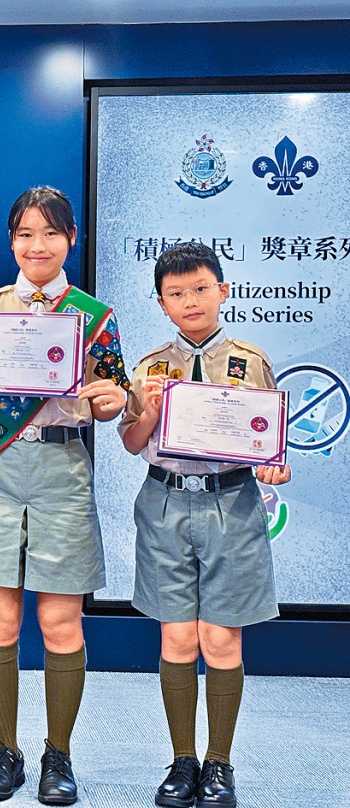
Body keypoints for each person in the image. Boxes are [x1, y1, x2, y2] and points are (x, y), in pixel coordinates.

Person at [0, 187, 129, 805]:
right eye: (25, 234)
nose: (37, 246)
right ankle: (5, 751)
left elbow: (114, 400)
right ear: (11, 241)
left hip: (61, 468)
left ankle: (59, 756)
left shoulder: (94, 315)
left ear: (70, 239)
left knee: (59, 621)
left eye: (50, 233)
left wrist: (112, 400)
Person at [120, 241, 291, 808]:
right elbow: (130, 442)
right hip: (167, 504)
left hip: (233, 503)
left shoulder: (250, 360)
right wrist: (144, 408)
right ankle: (182, 761)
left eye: (200, 288)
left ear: (222, 290)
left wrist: (275, 464)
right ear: (162, 303)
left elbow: (269, 444)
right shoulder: (148, 367)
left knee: (220, 639)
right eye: (176, 294)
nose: (189, 301)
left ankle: (219, 764)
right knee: (176, 636)